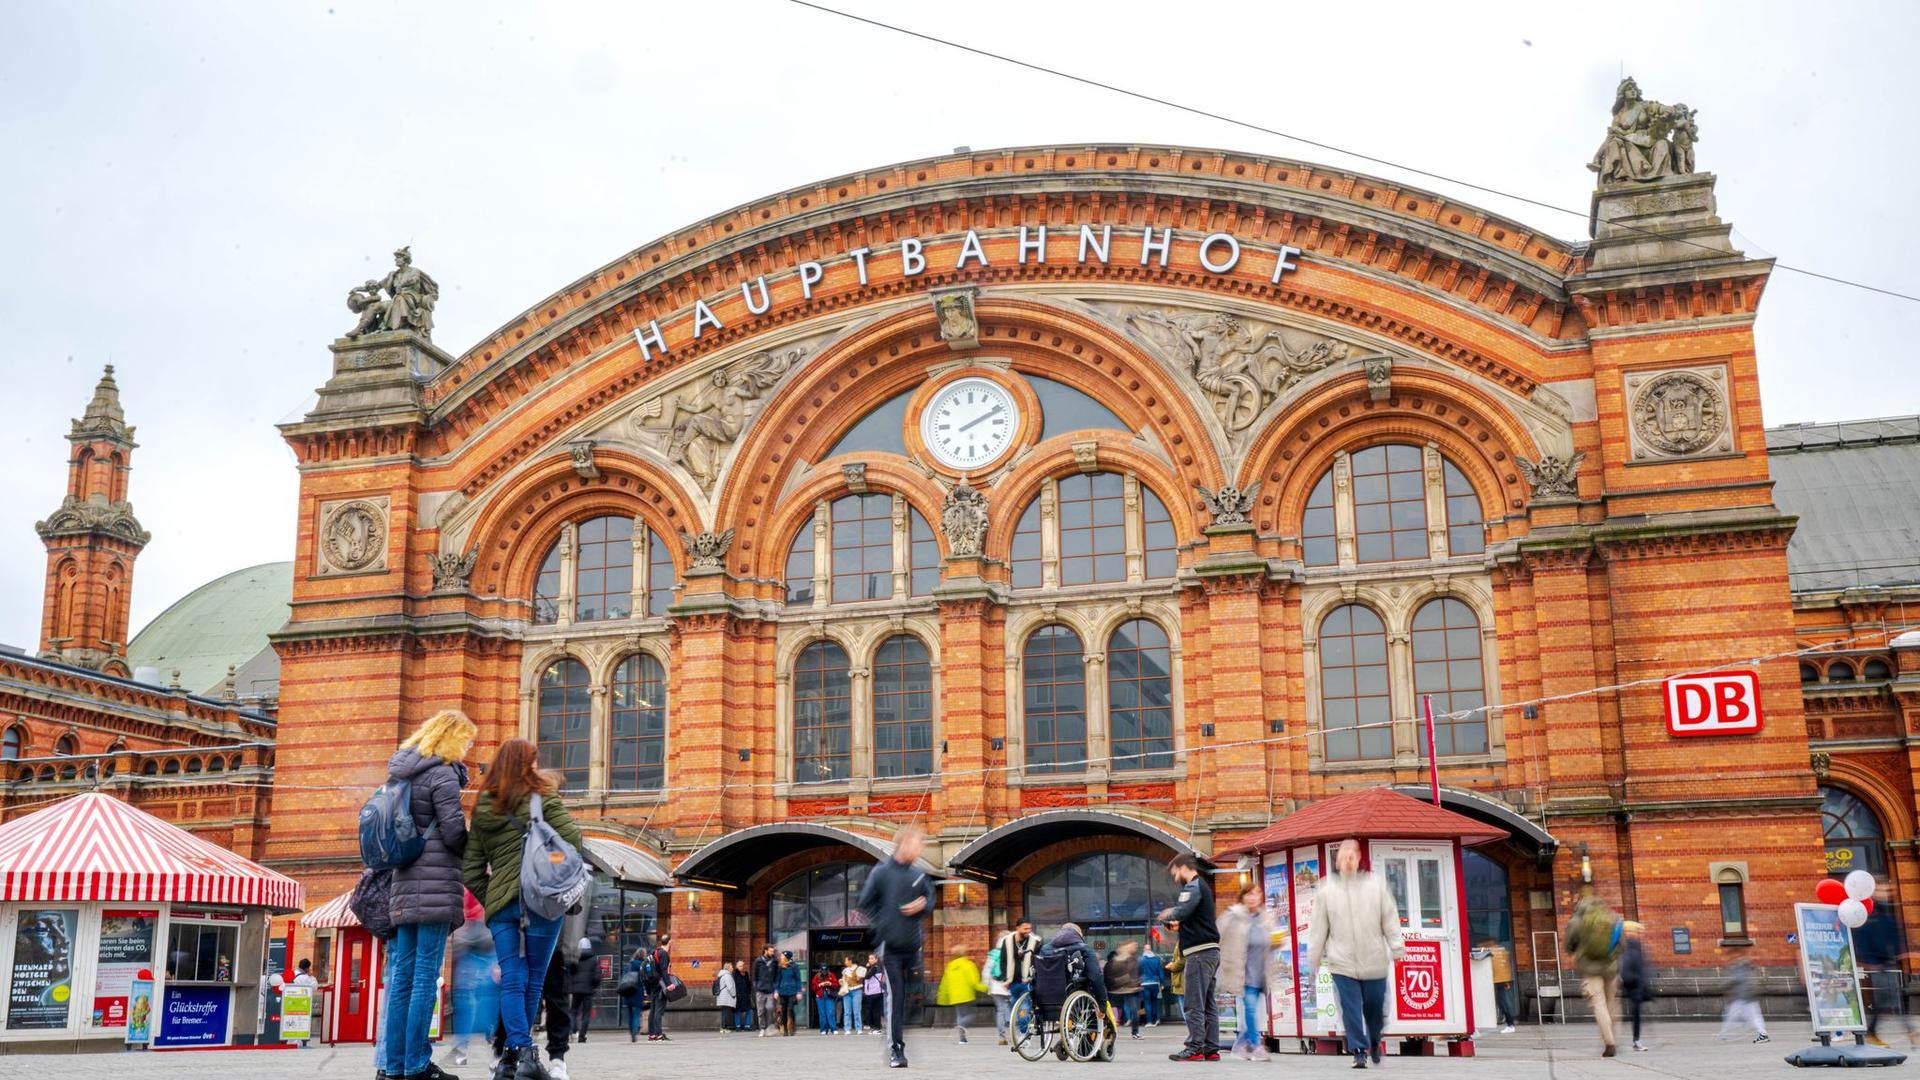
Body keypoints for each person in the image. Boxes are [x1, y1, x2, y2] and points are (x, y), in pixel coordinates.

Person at [462, 736, 583, 1080]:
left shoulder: (485, 805)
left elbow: (471, 869)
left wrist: (495, 897)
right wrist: (551, 863)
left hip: (504, 907)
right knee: (533, 979)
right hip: (543, 904)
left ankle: (513, 1057)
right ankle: (523, 1055)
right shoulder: (543, 795)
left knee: (513, 980)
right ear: (528, 763)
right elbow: (572, 841)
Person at [384, 710, 475, 1080]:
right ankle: (417, 1065)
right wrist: (475, 851)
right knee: (424, 978)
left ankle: (393, 1067)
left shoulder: (400, 772)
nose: (468, 748)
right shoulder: (442, 774)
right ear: (451, 738)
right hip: (436, 885)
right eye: (466, 740)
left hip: (403, 883)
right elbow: (453, 831)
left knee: (402, 979)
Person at [1306, 839, 1405, 1070]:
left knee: (1374, 1008)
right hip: (1342, 962)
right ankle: (1358, 1050)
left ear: (1359, 858)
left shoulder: (1375, 886)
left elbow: (1389, 919)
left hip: (1374, 960)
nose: (1348, 859)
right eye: (1343, 855)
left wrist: (1397, 948)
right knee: (1350, 1008)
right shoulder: (1326, 889)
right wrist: (1314, 957)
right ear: (1338, 860)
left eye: (1352, 854)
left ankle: (1374, 1039)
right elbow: (1319, 927)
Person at [856, 823, 936, 1069]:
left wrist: (922, 905)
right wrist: (883, 927)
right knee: (896, 997)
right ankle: (896, 1049)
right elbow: (865, 903)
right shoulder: (881, 873)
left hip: (913, 948)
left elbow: (930, 899)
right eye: (917, 843)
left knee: (912, 1001)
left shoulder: (918, 875)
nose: (920, 848)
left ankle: (896, 1031)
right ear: (903, 844)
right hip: (890, 949)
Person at [1158, 853, 1221, 1062]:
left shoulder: (1193, 886)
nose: (1175, 877)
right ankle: (1211, 1049)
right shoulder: (1203, 888)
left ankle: (1195, 1047)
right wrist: (1181, 926)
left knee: (1194, 1002)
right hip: (1211, 952)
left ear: (1181, 866)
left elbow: (1183, 910)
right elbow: (1192, 918)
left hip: (1199, 954)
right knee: (1208, 1004)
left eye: (1175, 872)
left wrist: (1169, 913)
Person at [1222, 882, 1280, 1061]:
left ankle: (1240, 1046)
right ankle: (1256, 1046)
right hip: (1243, 974)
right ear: (1243, 897)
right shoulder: (1234, 917)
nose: (1253, 897)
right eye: (1249, 894)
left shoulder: (1265, 918)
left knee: (1254, 1013)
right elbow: (1222, 939)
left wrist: (1276, 942)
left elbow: (1269, 943)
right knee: (1251, 1010)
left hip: (1260, 974)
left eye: (1256, 894)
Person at [1563, 885, 1623, 1058]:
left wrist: (1578, 949)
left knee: (1599, 1004)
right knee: (1612, 1003)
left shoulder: (1577, 919)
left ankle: (1609, 1042)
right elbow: (1622, 944)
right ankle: (1613, 1037)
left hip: (1590, 969)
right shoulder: (1611, 917)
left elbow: (1568, 945)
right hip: (1610, 968)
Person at [444, 890, 499, 1067]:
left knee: (470, 998)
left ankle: (463, 1049)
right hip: (484, 939)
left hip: (477, 939)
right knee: (483, 996)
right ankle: (491, 1042)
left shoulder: (469, 879)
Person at [1859, 883, 1911, 1047]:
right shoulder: (1870, 916)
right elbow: (1863, 939)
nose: (1886, 894)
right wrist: (1871, 962)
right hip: (1877, 965)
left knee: (1894, 999)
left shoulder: (1888, 915)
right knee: (1882, 1001)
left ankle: (1909, 1029)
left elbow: (1895, 936)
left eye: (1888, 890)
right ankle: (1872, 1032)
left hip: (1887, 963)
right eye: (1882, 890)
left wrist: (1899, 952)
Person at [994, 920, 1039, 1042]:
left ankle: (1025, 1037)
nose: (1028, 931)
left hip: (1027, 983)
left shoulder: (1035, 941)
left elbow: (1039, 961)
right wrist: (1005, 979)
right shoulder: (1007, 941)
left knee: (1023, 1010)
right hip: (1013, 984)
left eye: (1029, 928)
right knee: (1016, 1012)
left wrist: (1033, 977)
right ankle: (1024, 1032)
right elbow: (1003, 961)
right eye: (1025, 929)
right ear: (1017, 928)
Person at [936, 944, 987, 1043]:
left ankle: (962, 1039)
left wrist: (943, 996)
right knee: (972, 1014)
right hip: (966, 995)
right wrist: (986, 988)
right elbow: (974, 982)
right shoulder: (968, 964)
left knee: (960, 1016)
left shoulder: (950, 966)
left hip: (954, 996)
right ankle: (959, 1027)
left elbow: (944, 983)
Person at [1617, 922, 1653, 1051]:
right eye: (1636, 932)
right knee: (1634, 1014)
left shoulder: (1629, 946)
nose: (1638, 934)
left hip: (1632, 983)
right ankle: (1636, 1040)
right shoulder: (1632, 945)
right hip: (1634, 984)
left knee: (1634, 1014)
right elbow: (1634, 966)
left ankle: (1635, 1040)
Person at [1718, 957, 1768, 1043]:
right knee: (1754, 1016)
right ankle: (1761, 1033)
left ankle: (1724, 1034)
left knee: (1731, 1015)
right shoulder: (1750, 972)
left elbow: (1734, 980)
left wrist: (1722, 987)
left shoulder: (1740, 971)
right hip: (1749, 997)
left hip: (1742, 998)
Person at [1104, 940, 1144, 1039]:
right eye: (1132, 946)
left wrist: (1136, 983)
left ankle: (1135, 1032)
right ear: (1124, 947)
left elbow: (1136, 974)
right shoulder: (1114, 962)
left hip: (1130, 990)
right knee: (1113, 1013)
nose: (1135, 948)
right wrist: (1125, 980)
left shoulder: (1133, 960)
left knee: (1134, 1011)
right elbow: (1108, 976)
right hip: (1117, 990)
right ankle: (1110, 1031)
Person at [566, 938, 601, 1041]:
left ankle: (573, 1031)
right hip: (588, 990)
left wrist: (572, 984)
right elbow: (597, 976)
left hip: (576, 989)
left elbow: (570, 972)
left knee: (573, 1011)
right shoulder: (594, 959)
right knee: (586, 1014)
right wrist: (594, 985)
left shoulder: (575, 959)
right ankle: (582, 1036)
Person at [1480, 937, 1516, 1034]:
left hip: (1497, 981)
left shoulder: (1492, 953)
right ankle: (1509, 1023)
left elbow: (1496, 968)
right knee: (1503, 1003)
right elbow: (1506, 966)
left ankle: (1510, 1024)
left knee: (1503, 1003)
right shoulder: (1501, 951)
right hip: (1501, 980)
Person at [642, 932, 673, 1040]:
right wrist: (669, 984)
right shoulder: (664, 954)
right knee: (658, 1011)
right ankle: (659, 1034)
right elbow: (664, 971)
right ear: (670, 942)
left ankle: (652, 1034)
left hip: (652, 984)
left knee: (653, 1010)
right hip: (660, 985)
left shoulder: (655, 952)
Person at [622, 946, 649, 1042]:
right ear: (643, 955)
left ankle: (631, 1031)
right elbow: (646, 977)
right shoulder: (642, 965)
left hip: (628, 991)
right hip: (637, 991)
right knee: (636, 1013)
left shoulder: (629, 964)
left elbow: (624, 976)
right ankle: (634, 1032)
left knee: (629, 1014)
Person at [753, 946, 780, 1037]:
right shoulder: (758, 961)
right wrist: (756, 987)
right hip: (760, 990)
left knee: (770, 1008)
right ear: (765, 951)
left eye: (773, 951)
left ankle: (769, 1027)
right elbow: (754, 976)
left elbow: (777, 976)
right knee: (760, 1010)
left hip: (770, 990)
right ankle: (762, 1028)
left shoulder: (774, 962)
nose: (772, 953)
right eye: (771, 951)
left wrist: (776, 990)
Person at [775, 950, 803, 1035]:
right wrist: (776, 990)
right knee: (783, 1010)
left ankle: (792, 1027)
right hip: (782, 991)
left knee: (790, 1009)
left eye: (782, 956)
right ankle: (785, 1030)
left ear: (787, 957)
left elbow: (798, 979)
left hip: (792, 991)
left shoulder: (794, 966)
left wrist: (799, 992)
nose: (781, 957)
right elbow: (777, 980)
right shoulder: (780, 967)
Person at [1164, 922, 1187, 1024]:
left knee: (1187, 1012)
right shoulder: (1182, 938)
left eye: (1173, 926)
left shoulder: (1184, 938)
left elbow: (1183, 959)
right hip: (1181, 981)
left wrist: (1172, 966)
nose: (1172, 929)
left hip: (1183, 981)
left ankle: (1195, 1036)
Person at [1139, 944, 1164, 1027]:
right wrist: (1162, 983)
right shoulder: (1156, 959)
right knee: (1155, 1002)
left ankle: (1149, 1021)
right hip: (1155, 983)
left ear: (1144, 950)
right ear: (1151, 950)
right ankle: (1155, 1020)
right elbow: (1160, 973)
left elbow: (1138, 972)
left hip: (1144, 983)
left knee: (1147, 1003)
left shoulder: (1141, 959)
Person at [841, 956, 867, 1034]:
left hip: (856, 990)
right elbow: (843, 980)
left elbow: (859, 979)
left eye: (846, 961)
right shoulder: (845, 970)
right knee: (847, 1011)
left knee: (857, 1011)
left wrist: (855, 973)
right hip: (847, 991)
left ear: (850, 961)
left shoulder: (860, 969)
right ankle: (847, 1028)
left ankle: (858, 1028)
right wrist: (841, 982)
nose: (845, 962)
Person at [714, 954, 738, 1031]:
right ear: (728, 968)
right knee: (727, 1013)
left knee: (725, 1012)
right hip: (727, 997)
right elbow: (730, 987)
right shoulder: (727, 976)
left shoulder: (723, 975)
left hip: (723, 997)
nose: (733, 968)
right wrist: (734, 994)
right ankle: (724, 1027)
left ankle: (724, 1027)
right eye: (731, 967)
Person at [812, 964, 839, 1034]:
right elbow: (813, 987)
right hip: (820, 996)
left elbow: (836, 985)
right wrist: (820, 985)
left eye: (825, 970)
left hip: (829, 996)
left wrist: (830, 984)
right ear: (820, 970)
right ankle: (823, 1029)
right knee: (822, 1014)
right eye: (823, 970)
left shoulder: (831, 975)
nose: (824, 972)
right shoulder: (816, 976)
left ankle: (833, 1029)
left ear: (828, 970)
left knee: (830, 1012)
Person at [863, 954, 885, 1033]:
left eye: (872, 958)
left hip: (875, 992)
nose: (870, 960)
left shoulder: (874, 968)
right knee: (876, 1010)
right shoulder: (877, 967)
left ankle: (877, 1028)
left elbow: (867, 976)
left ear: (876, 959)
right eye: (869, 958)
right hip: (876, 991)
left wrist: (867, 967)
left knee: (876, 1010)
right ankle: (876, 1027)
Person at [734, 961, 757, 1032]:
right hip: (738, 995)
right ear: (737, 967)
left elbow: (748, 983)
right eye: (741, 966)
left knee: (749, 1010)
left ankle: (747, 1026)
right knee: (737, 1011)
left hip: (746, 995)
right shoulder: (734, 974)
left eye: (743, 965)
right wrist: (737, 994)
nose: (742, 967)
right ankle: (738, 1026)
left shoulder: (746, 974)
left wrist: (749, 992)